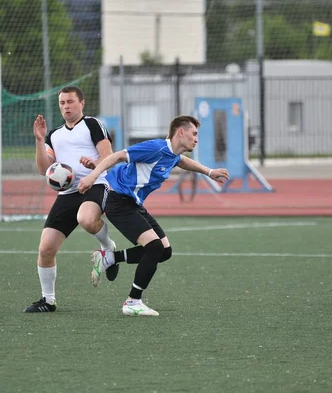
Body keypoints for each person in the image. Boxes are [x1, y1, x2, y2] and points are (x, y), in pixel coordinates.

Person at [78, 115, 230, 316]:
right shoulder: (156, 148)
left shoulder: (172, 155)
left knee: (164, 251)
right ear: (180, 132)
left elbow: (182, 161)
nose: (196, 139)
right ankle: (133, 302)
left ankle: (109, 258)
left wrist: (209, 172)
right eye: (194, 134)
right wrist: (91, 176)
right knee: (154, 247)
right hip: (118, 201)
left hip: (133, 204)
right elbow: (117, 156)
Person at [23, 85, 117, 313]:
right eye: (62, 103)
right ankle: (48, 300)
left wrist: (94, 167)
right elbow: (43, 168)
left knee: (86, 218)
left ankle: (107, 247)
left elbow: (108, 155)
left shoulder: (92, 124)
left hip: (95, 184)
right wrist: (39, 140)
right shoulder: (54, 135)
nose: (66, 106)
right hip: (67, 192)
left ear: (81, 103)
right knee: (45, 248)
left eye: (70, 102)